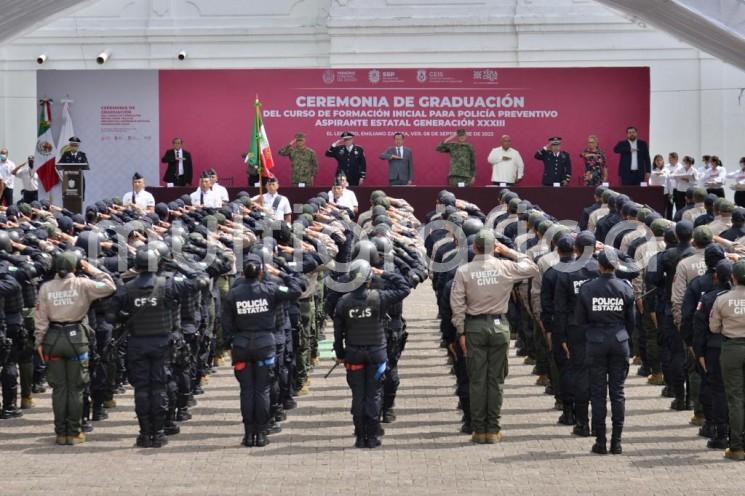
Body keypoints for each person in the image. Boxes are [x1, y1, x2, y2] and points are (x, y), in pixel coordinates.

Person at [450, 229, 539, 443]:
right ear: (494, 248)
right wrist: (508, 252)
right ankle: (493, 429)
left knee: (477, 380)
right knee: (496, 380)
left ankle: (479, 430)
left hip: (474, 327)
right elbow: (532, 268)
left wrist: (461, 330)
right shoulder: (505, 266)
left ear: (474, 247)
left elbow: (457, 304)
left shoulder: (464, 271)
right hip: (499, 326)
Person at [105, 248, 195, 448]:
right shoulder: (168, 285)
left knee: (142, 390)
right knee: (159, 387)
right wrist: (179, 265)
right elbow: (201, 281)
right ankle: (159, 432)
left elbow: (110, 316)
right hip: (162, 343)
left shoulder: (126, 288)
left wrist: (127, 317)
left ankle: (145, 434)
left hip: (137, 343)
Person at [34, 251, 116, 445]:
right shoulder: (83, 284)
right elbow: (109, 286)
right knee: (76, 388)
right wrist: (92, 269)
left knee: (59, 389)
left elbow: (40, 318)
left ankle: (60, 433)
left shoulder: (46, 288)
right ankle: (75, 432)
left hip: (52, 338)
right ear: (76, 267)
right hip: (76, 338)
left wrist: (39, 341)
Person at [222, 253, 302, 447]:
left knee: (247, 391)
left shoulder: (234, 293)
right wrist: (284, 272)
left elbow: (226, 323)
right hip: (265, 344)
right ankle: (262, 432)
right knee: (263, 390)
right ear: (261, 273)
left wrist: (229, 342)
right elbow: (297, 290)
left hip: (241, 345)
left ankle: (249, 434)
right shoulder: (270, 289)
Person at [333, 259, 411, 448]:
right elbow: (404, 288)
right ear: (369, 279)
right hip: (377, 354)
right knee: (374, 395)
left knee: (358, 395)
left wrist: (341, 354)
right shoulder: (379, 297)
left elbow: (337, 334)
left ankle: (360, 437)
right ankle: (373, 436)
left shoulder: (343, 302)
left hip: (354, 354)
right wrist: (383, 273)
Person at [575, 249, 635, 455]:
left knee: (598, 393)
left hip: (596, 342)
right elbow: (631, 321)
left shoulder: (587, 288)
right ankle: (616, 442)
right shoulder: (625, 288)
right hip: (620, 341)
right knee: (617, 392)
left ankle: (601, 442)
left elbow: (580, 321)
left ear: (599, 266)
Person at [709, 259, 745, 461]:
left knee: (735, 398)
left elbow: (713, 328)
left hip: (731, 348)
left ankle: (737, 446)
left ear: (733, 277)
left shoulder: (722, 299)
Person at [649, 154, 672, 219]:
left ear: (662, 161)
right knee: (654, 208)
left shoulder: (667, 170)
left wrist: (670, 193)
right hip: (654, 192)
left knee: (663, 209)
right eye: (657, 160)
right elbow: (649, 180)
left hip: (664, 192)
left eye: (660, 160)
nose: (658, 162)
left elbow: (669, 182)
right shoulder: (651, 170)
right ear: (654, 162)